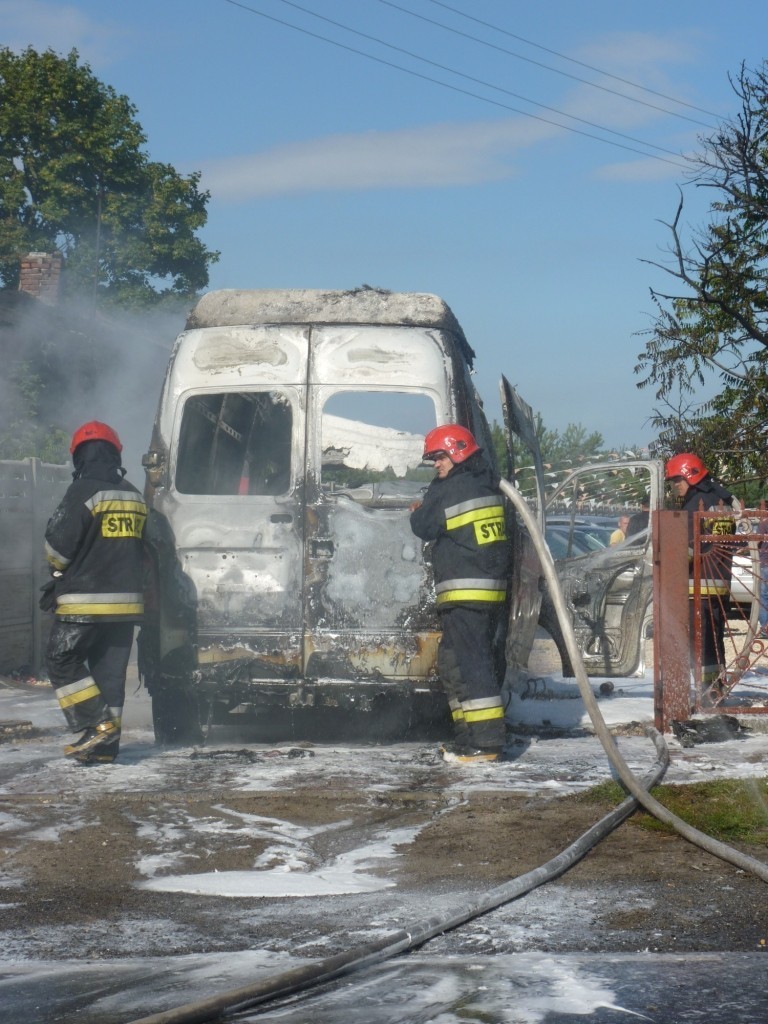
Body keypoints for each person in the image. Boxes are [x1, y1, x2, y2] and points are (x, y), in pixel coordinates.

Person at [43, 421, 147, 764]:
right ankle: (105, 748)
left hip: (83, 603)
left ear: (79, 456)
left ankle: (96, 724)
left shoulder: (82, 491)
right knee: (109, 673)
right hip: (127, 604)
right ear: (115, 452)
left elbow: (58, 548)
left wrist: (57, 572)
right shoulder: (134, 494)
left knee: (62, 658)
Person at [409, 424, 510, 763]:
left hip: (466, 593)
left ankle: (487, 742)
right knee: (454, 662)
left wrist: (419, 509)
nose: (436, 465)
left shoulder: (453, 489)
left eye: (439, 457)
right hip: (484, 593)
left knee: (473, 666)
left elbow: (424, 526)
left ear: (457, 451)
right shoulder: (484, 484)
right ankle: (469, 736)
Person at [665, 453, 737, 693]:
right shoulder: (721, 499)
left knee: (701, 638)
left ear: (691, 475)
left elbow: (688, 549)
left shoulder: (695, 504)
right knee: (713, 638)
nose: (675, 486)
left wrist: (667, 565)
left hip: (699, 582)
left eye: (677, 480)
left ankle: (706, 692)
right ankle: (715, 688)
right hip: (720, 579)